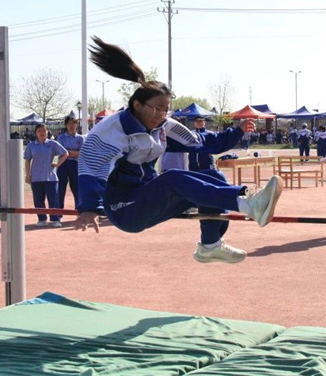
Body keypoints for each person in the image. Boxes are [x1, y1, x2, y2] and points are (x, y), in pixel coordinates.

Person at [74, 37, 283, 264]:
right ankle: (248, 203)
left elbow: (200, 142)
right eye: (157, 109)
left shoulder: (164, 125)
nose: (161, 115)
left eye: (166, 110)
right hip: (124, 209)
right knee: (173, 178)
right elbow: (91, 169)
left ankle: (210, 245)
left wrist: (236, 132)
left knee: (214, 176)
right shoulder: (110, 132)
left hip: (148, 197)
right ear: (137, 105)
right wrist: (90, 207)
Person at [24, 123, 69, 228]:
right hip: (36, 177)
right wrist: (28, 174)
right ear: (36, 133)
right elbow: (27, 160)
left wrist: (57, 164)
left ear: (47, 132)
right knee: (38, 200)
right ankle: (42, 219)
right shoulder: (31, 145)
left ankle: (55, 219)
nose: (42, 133)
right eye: (39, 131)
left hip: (51, 177)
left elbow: (65, 153)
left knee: (53, 199)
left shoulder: (52, 144)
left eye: (44, 131)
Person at [56, 116, 84, 212]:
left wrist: (68, 152)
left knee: (77, 188)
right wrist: (73, 153)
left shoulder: (80, 138)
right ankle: (58, 213)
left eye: (73, 123)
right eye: (69, 124)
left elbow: (82, 153)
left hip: (75, 165)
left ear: (76, 125)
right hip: (63, 164)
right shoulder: (61, 137)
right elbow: (61, 152)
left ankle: (79, 210)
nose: (71, 126)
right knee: (60, 189)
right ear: (66, 125)